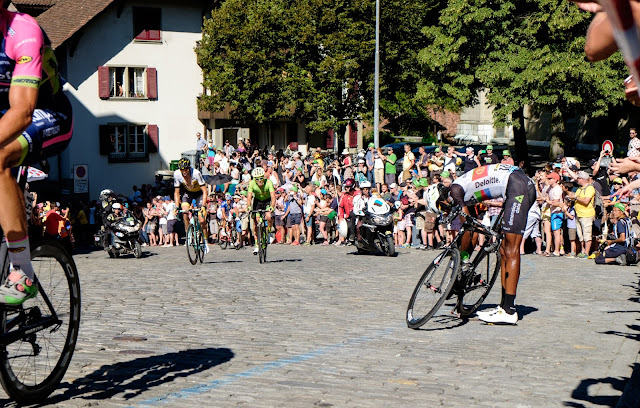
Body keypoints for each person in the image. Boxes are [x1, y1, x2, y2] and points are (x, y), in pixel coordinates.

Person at [0, 4, 76, 304]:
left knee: (1, 158)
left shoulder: (23, 31)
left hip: (48, 113)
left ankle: (22, 269)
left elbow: (22, 111)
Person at [449, 164, 536, 324]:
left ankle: (509, 311)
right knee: (504, 249)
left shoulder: (455, 190)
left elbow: (470, 228)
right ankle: (504, 306)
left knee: (511, 249)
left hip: (517, 187)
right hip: (518, 186)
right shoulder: (465, 189)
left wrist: (464, 259)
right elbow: (472, 231)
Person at [173, 157, 209, 253]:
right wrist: (176, 207)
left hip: (199, 194)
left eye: (185, 169)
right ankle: (188, 234)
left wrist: (203, 206)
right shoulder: (176, 174)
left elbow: (205, 191)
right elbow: (177, 192)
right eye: (182, 170)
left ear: (189, 168)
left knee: (201, 219)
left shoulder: (196, 173)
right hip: (187, 193)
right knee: (184, 212)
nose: (184, 172)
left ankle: (204, 240)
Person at [246, 167, 276, 254]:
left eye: (261, 178)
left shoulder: (269, 182)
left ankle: (269, 231)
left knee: (269, 216)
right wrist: (248, 207)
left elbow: (273, 197)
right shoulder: (251, 183)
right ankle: (256, 244)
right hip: (257, 201)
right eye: (257, 179)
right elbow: (249, 197)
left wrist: (272, 207)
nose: (259, 180)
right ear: (254, 179)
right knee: (255, 221)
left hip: (267, 201)